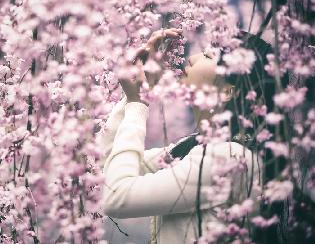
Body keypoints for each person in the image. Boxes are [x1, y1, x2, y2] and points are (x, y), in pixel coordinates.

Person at [97, 28, 274, 243]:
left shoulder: (227, 159)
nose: (191, 58)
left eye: (208, 56)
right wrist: (134, 96)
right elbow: (106, 167)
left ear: (228, 91)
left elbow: (117, 197)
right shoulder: (194, 146)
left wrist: (138, 104)